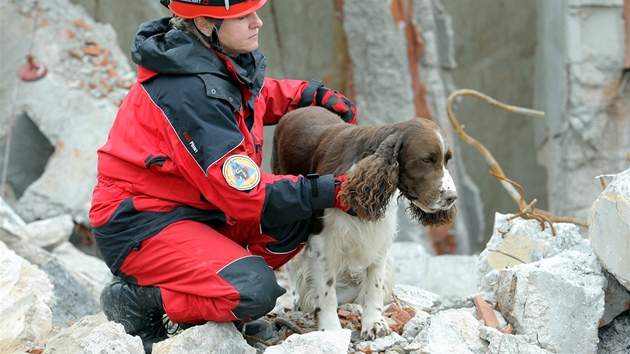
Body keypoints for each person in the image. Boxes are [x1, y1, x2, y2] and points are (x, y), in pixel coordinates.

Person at [89, 0, 358, 352]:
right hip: (143, 222)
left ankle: (215, 290)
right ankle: (141, 299)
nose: (258, 22)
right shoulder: (186, 93)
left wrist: (307, 94)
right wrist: (335, 190)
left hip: (199, 210)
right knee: (254, 292)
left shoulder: (211, 63)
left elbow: (251, 98)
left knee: (295, 216)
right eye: (243, 16)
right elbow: (245, 196)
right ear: (203, 23)